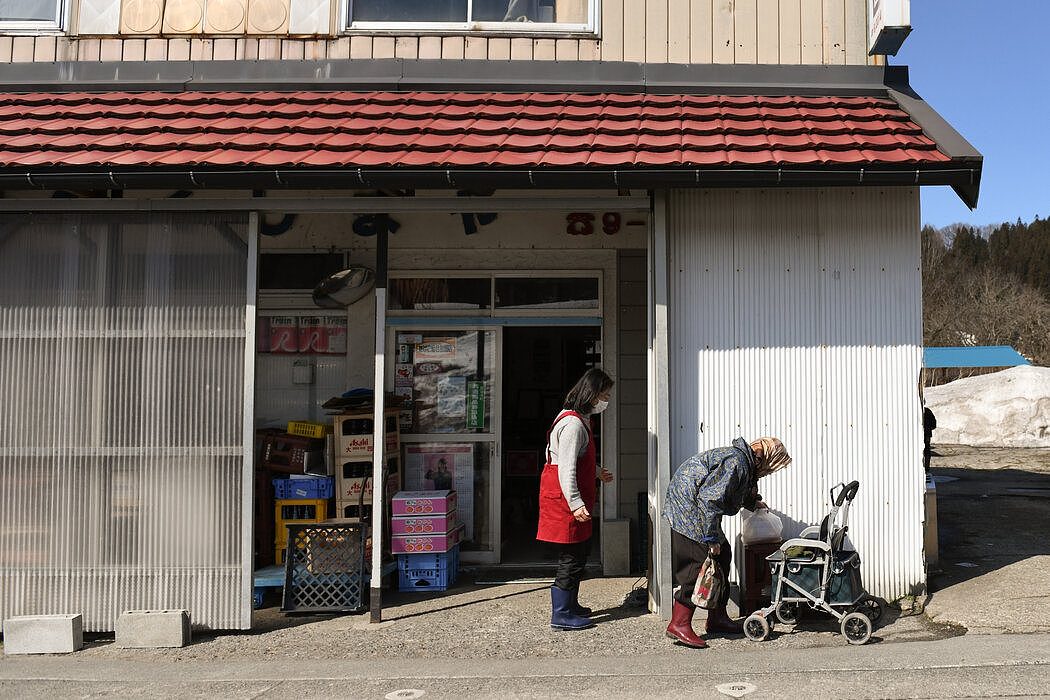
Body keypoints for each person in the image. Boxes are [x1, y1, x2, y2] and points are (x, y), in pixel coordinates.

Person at [662, 437, 792, 648]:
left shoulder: (745, 463)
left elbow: (731, 489)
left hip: (697, 507)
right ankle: (678, 623)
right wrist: (711, 538)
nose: (769, 472)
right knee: (697, 564)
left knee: (723, 555)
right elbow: (710, 499)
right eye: (770, 466)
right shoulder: (736, 462)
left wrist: (752, 502)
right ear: (763, 458)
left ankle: (717, 618)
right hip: (688, 509)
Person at [536, 367, 615, 630]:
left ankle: (571, 604)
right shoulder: (573, 426)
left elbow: (573, 459)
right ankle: (561, 614)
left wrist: (596, 472)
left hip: (571, 499)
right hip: (565, 502)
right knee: (570, 557)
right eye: (604, 394)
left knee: (580, 553)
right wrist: (576, 504)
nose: (607, 400)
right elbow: (567, 468)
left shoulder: (578, 419)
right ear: (592, 395)